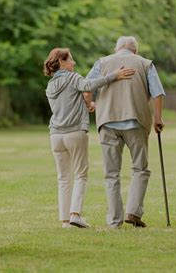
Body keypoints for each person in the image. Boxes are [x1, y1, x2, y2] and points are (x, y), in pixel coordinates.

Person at [44, 47, 135, 228]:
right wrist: (114, 76)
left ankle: (65, 220)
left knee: (63, 177)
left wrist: (87, 105)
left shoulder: (50, 85)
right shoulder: (73, 77)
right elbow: (89, 86)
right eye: (70, 59)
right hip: (75, 132)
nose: (74, 62)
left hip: (55, 135)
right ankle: (75, 214)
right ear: (61, 62)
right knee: (80, 175)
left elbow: (67, 103)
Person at [86, 36, 165, 228]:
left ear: (117, 49)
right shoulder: (145, 63)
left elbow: (87, 89)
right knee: (140, 168)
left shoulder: (102, 62)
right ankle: (133, 212)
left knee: (111, 174)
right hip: (136, 122)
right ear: (135, 51)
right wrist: (157, 119)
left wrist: (91, 104)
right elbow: (158, 93)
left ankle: (114, 221)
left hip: (107, 122)